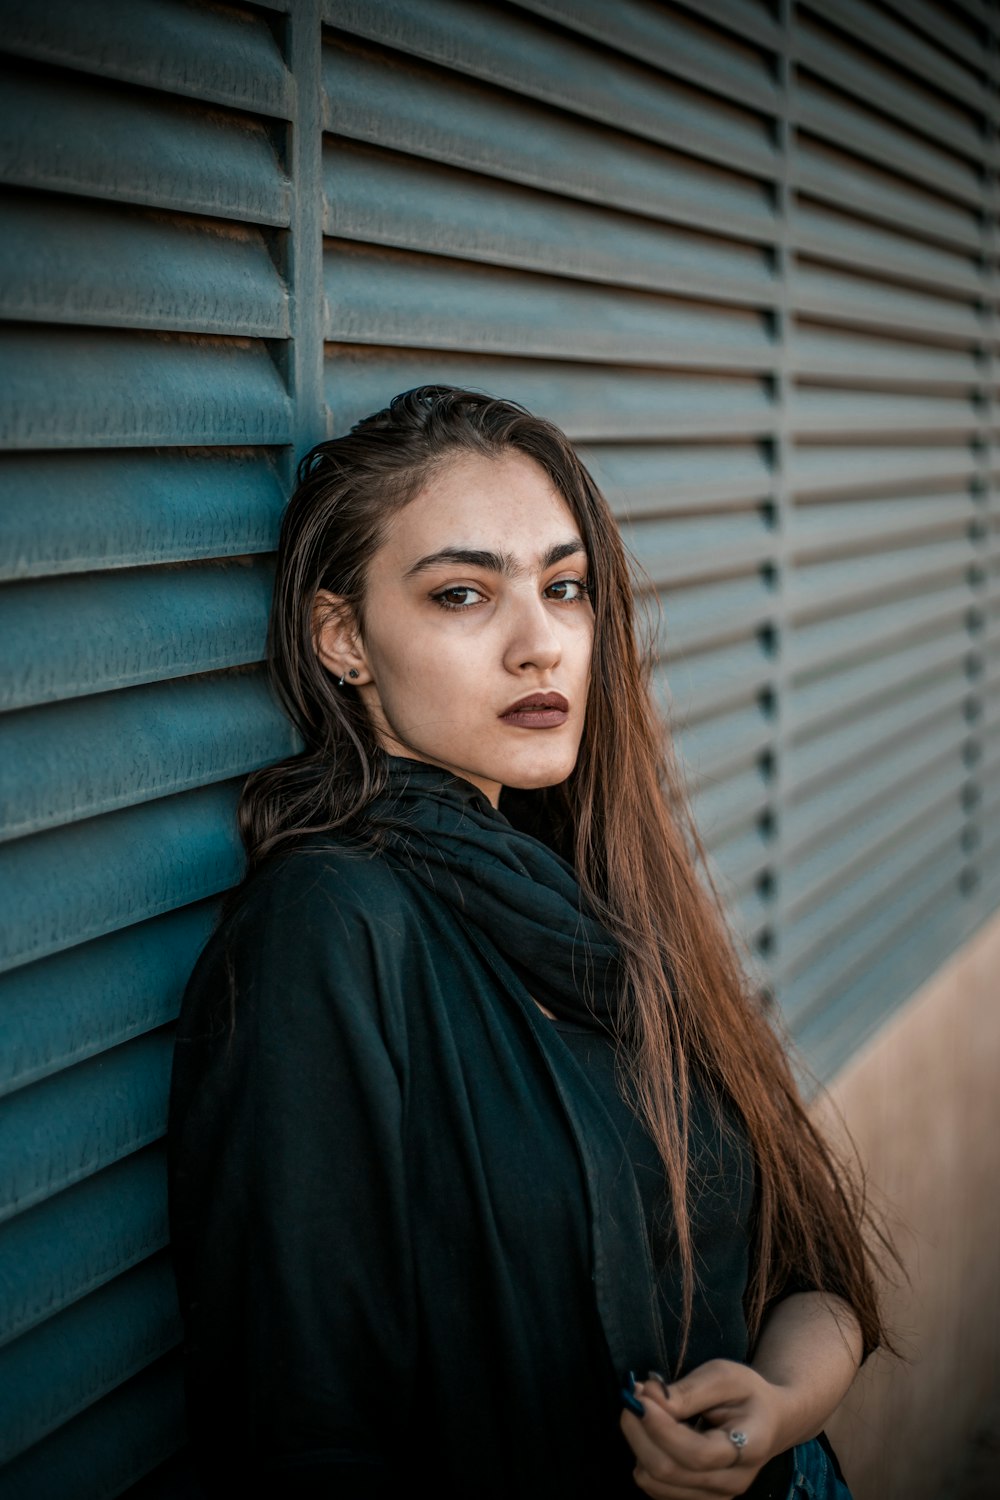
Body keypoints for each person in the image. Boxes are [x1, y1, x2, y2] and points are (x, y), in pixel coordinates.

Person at [168, 385, 891, 1499]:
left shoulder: (605, 890)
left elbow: (811, 1268)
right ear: (343, 638)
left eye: (564, 589)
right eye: (462, 594)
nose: (540, 643)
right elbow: (302, 1427)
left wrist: (771, 1414)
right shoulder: (328, 932)